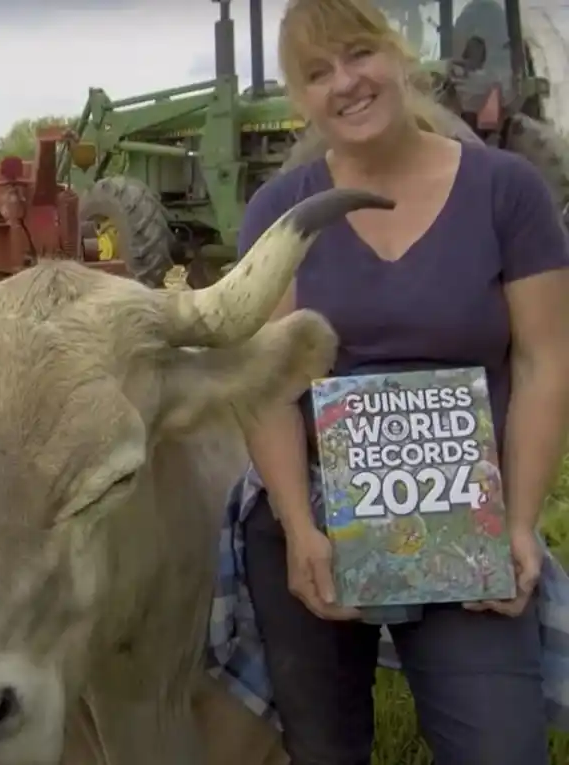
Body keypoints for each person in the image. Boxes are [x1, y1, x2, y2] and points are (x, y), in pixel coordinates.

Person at [227, 0, 569, 763]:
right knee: (323, 750)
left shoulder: (508, 191)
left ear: (398, 54)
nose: (346, 83)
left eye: (359, 54)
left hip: (464, 514)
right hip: (316, 506)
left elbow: (544, 361)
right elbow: (266, 382)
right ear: (298, 98)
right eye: (318, 73)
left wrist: (519, 524)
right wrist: (297, 526)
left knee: (500, 748)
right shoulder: (279, 211)